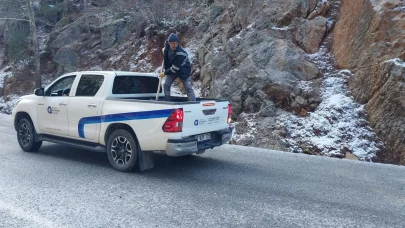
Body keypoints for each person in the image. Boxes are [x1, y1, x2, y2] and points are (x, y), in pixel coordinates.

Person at [159, 33, 196, 101]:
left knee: (188, 88)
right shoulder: (167, 45)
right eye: (173, 43)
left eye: (176, 43)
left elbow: (174, 69)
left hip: (183, 70)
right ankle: (167, 101)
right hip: (172, 68)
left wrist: (164, 73)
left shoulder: (180, 54)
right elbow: (166, 53)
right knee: (166, 85)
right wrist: (165, 51)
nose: (175, 45)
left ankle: (193, 103)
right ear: (169, 43)